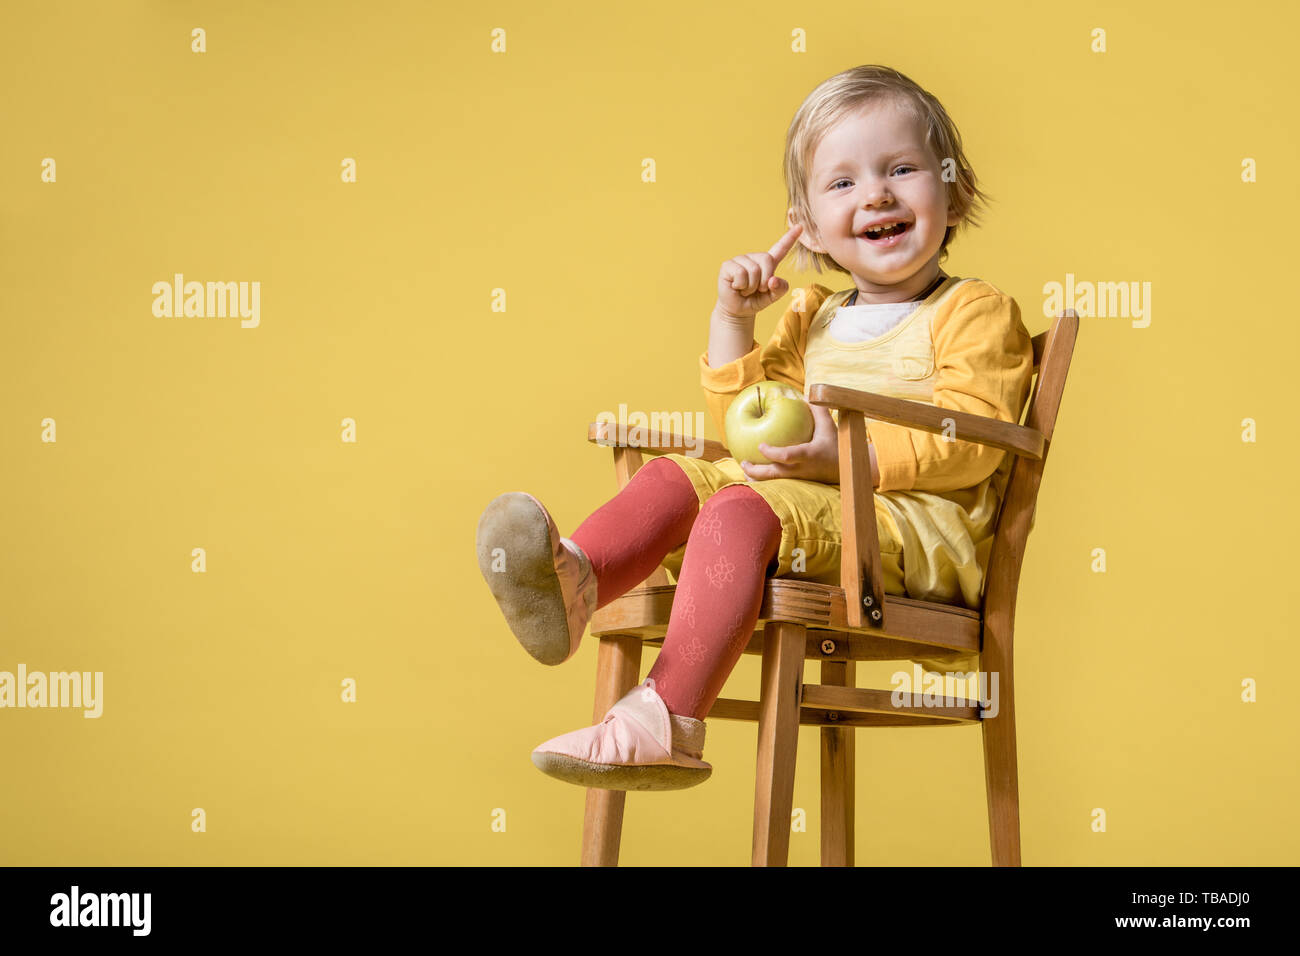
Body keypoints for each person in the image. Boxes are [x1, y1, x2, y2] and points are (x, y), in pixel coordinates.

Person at [475, 64, 1035, 792]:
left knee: (740, 503)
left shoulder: (974, 312)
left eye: (902, 169)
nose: (876, 194)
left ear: (952, 192)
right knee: (680, 474)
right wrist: (733, 320)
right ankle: (579, 578)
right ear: (807, 228)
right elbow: (747, 428)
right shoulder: (814, 314)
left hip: (903, 536)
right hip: (805, 513)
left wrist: (847, 452)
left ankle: (667, 720)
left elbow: (973, 441)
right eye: (843, 183)